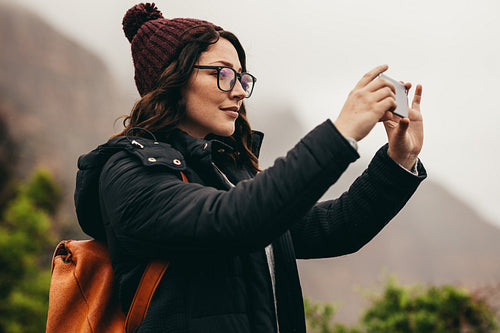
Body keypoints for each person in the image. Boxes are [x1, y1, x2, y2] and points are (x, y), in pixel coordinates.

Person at [75, 3, 426, 332]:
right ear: (174, 77)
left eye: (243, 79)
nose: (240, 92)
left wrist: (399, 161)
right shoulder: (126, 173)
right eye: (224, 74)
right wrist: (341, 133)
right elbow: (235, 219)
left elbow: (334, 227)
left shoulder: (231, 174)